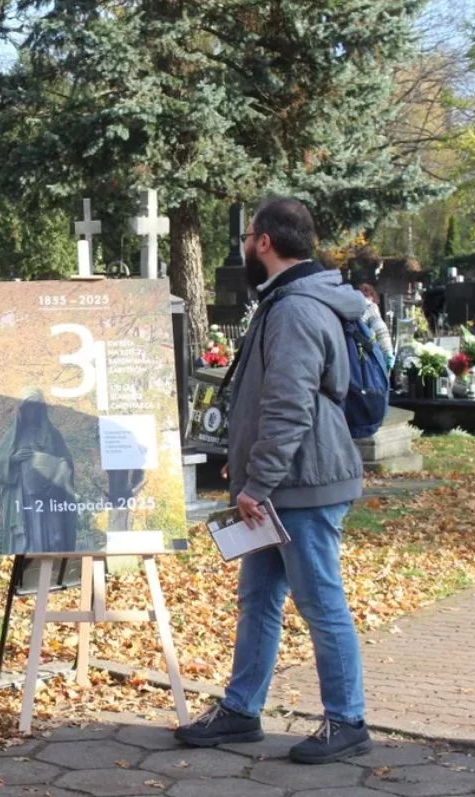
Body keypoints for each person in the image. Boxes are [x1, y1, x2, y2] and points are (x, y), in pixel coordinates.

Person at [174, 197, 372, 764]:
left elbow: (288, 409)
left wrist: (257, 483)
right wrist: (248, 464)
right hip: (278, 483)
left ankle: (347, 720)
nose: (243, 247)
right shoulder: (287, 301)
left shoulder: (294, 309)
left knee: (320, 602)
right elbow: (268, 400)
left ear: (262, 240)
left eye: (246, 238)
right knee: (258, 597)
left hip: (300, 486)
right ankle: (241, 710)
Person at [0, 390, 78, 553]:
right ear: (23, 410)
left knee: (53, 540)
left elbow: (67, 463)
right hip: (24, 499)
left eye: (36, 407)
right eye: (29, 407)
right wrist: (13, 459)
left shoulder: (52, 434)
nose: (33, 412)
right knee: (28, 542)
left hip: (49, 498)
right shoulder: (14, 435)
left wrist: (53, 466)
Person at [356, 283, 394, 372]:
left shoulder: (348, 309)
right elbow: (381, 332)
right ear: (372, 296)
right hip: (367, 357)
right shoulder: (371, 308)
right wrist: (388, 354)